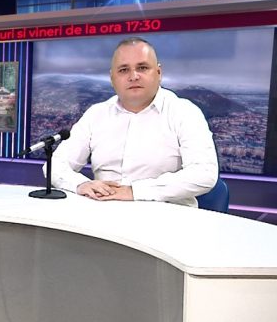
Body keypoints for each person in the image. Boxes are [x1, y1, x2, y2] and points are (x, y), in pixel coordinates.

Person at [47, 37, 218, 207]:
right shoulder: (96, 114)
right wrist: (81, 184)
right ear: (112, 78)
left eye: (142, 68)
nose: (133, 76)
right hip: (104, 214)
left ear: (158, 73)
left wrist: (134, 191)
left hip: (167, 217)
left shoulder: (184, 112)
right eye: (123, 70)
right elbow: (54, 165)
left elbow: (204, 173)